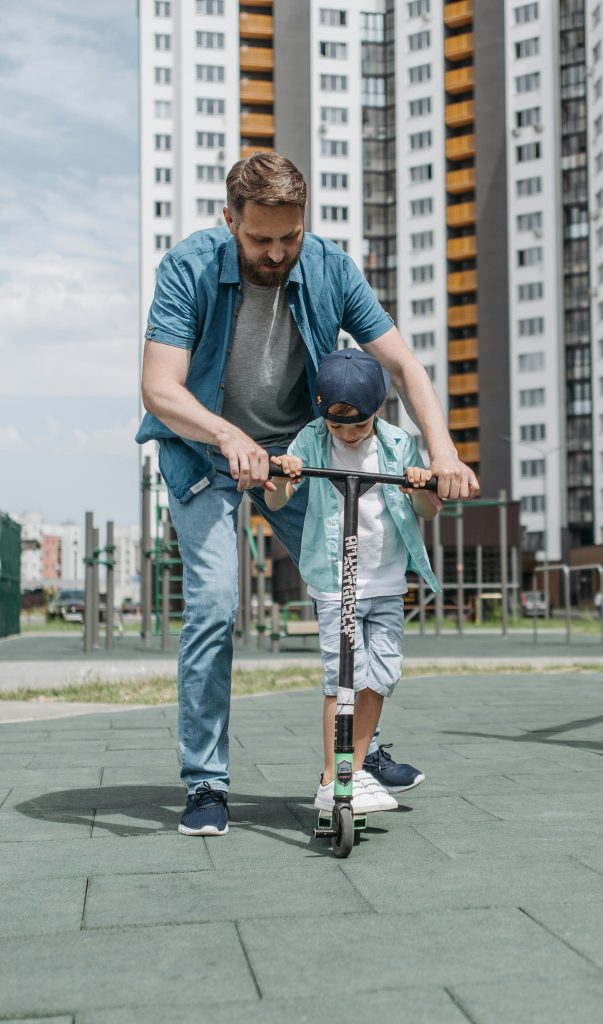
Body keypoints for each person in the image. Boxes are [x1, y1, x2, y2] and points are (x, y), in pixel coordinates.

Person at [137, 152, 479, 837]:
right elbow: (160, 388)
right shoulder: (188, 267)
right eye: (260, 239)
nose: (276, 252)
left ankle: (359, 752)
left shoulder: (327, 266)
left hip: (298, 458)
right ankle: (206, 782)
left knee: (364, 588)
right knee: (212, 606)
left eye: (288, 238)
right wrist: (230, 437)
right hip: (205, 453)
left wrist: (441, 447)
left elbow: (404, 364)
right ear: (230, 220)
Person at [265, 348, 442, 814]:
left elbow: (426, 511)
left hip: (385, 582)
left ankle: (356, 770)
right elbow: (280, 500)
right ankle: (333, 776)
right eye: (337, 426)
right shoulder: (311, 440)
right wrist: (283, 476)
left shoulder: (399, 445)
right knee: (343, 675)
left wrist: (419, 487)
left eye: (357, 426)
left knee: (381, 674)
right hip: (334, 582)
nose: (346, 434)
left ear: (377, 411)